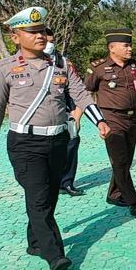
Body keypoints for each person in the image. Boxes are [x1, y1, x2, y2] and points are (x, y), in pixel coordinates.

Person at [0, 7, 110, 270]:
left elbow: (80, 94)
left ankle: (35, 242)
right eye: (31, 32)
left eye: (41, 30)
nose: (39, 36)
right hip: (25, 143)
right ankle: (55, 255)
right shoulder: (4, 69)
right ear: (15, 37)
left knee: (49, 194)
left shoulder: (61, 65)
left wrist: (99, 120)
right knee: (39, 197)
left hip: (58, 141)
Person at [84, 28, 136, 215]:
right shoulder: (97, 68)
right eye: (126, 45)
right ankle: (133, 201)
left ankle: (114, 193)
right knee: (119, 160)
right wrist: (88, 118)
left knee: (126, 159)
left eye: (130, 45)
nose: (130, 49)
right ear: (112, 48)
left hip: (133, 118)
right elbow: (85, 93)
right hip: (111, 118)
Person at [44, 28, 85, 197]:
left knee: (71, 146)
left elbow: (77, 91)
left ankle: (67, 182)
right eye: (47, 40)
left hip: (67, 113)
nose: (49, 44)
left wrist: (77, 114)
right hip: (43, 117)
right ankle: (48, 183)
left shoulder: (64, 63)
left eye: (52, 41)